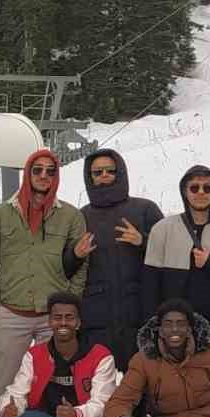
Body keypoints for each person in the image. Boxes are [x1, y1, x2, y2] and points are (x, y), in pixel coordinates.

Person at [0, 148, 88, 417]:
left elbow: (81, 263)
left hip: (51, 317)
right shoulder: (2, 214)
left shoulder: (70, 216)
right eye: (37, 170)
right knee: (5, 384)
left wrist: (70, 306)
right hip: (12, 313)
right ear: (27, 173)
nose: (43, 176)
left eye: (50, 171)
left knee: (50, 386)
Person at [64, 148, 162, 371]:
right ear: (90, 177)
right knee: (98, 387)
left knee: (141, 384)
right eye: (97, 172)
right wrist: (75, 255)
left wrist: (143, 241)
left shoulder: (145, 209)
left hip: (139, 313)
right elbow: (65, 268)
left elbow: (168, 255)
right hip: (97, 317)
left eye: (110, 170)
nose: (104, 175)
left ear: (121, 172)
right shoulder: (80, 216)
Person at [143, 164, 210, 348]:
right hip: (174, 334)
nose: (201, 192)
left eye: (207, 188)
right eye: (194, 187)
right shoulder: (162, 229)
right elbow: (150, 288)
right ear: (185, 192)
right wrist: (151, 331)